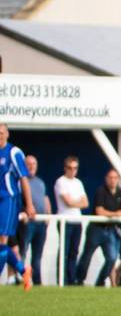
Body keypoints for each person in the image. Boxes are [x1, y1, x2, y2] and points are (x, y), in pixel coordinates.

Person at [75, 169, 121, 287]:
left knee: (112, 257)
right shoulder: (101, 191)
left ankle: (100, 281)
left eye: (115, 178)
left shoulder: (120, 193)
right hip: (96, 229)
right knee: (87, 255)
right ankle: (79, 280)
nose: (113, 180)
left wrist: (115, 213)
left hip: (109, 230)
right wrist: (116, 214)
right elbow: (99, 211)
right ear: (106, 179)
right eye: (110, 177)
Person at [0, 123, 36, 290]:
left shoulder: (13, 152)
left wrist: (29, 204)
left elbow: (23, 178)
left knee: (2, 240)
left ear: (7, 134)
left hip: (8, 200)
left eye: (1, 133)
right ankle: (23, 269)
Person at [53, 156, 88, 286]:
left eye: (75, 168)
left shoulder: (78, 183)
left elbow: (85, 203)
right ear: (65, 168)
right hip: (65, 221)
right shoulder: (60, 182)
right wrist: (76, 202)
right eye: (70, 168)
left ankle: (71, 279)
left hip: (76, 221)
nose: (72, 171)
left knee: (74, 251)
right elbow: (67, 202)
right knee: (64, 251)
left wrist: (75, 202)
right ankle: (62, 280)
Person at [19, 155, 49, 287]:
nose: (31, 167)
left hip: (40, 223)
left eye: (34, 164)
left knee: (37, 254)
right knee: (22, 251)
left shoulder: (40, 182)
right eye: (28, 164)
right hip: (27, 223)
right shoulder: (21, 182)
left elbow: (45, 198)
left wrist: (48, 214)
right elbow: (18, 200)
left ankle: (37, 280)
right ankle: (21, 278)